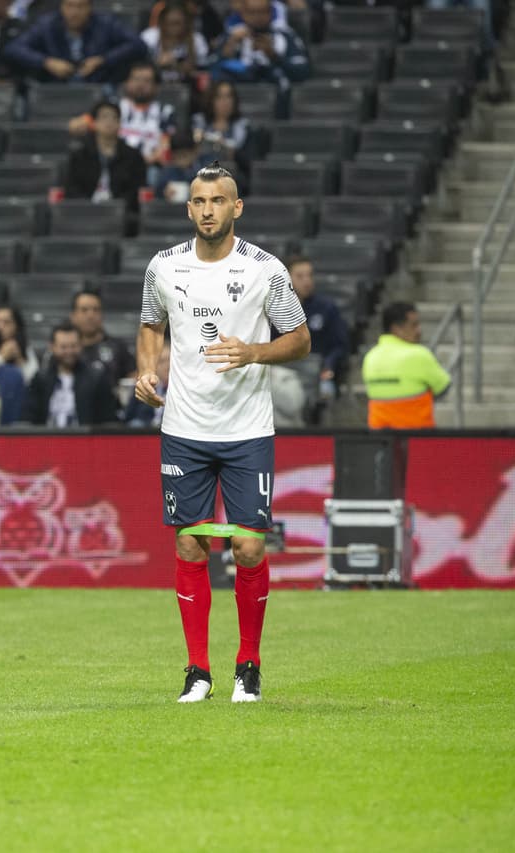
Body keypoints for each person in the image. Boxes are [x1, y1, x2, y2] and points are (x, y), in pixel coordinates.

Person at [132, 161, 310, 704]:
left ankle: (248, 665)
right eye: (198, 201)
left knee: (250, 548)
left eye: (217, 201)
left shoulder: (265, 269)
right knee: (189, 543)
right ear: (189, 209)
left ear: (237, 207)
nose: (207, 210)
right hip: (184, 426)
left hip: (248, 429)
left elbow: (299, 340)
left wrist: (255, 351)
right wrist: (146, 369)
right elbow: (150, 324)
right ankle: (197, 671)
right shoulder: (164, 267)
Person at [4, 0, 147, 84]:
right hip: (54, 87)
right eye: (70, 6)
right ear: (61, 7)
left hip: (98, 84)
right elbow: (14, 48)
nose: (74, 12)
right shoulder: (47, 25)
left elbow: (138, 45)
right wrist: (47, 62)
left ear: (90, 8)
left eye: (80, 6)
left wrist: (103, 60)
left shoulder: (106, 24)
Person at [362, 302, 451, 430]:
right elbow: (444, 387)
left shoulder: (370, 357)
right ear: (396, 329)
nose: (419, 331)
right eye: (414, 325)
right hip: (417, 439)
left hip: (381, 442)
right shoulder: (419, 354)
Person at [24, 323, 120, 425]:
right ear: (52, 347)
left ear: (81, 345)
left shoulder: (97, 378)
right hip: (47, 439)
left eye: (73, 346)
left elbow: (108, 420)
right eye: (63, 347)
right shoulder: (40, 379)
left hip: (85, 439)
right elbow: (28, 417)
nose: (69, 351)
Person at [211, 0, 310, 96]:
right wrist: (229, 47)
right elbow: (211, 70)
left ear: (271, 12)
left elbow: (303, 71)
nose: (258, 17)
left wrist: (273, 55)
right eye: (252, 12)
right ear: (243, 13)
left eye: (263, 12)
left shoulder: (286, 36)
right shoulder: (232, 35)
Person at [284, 255, 347, 400]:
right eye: (300, 276)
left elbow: (339, 346)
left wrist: (328, 366)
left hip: (318, 370)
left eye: (310, 276)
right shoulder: (274, 309)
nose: (307, 281)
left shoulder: (326, 308)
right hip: (284, 372)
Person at [64, 100, 147, 209]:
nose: (109, 122)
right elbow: (71, 188)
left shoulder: (133, 156)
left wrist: (117, 206)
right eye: (104, 117)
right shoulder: (80, 155)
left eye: (114, 118)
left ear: (119, 123)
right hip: (84, 211)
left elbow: (135, 190)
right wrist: (88, 206)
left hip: (120, 212)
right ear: (94, 123)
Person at [71, 289, 137, 388]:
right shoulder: (66, 350)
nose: (90, 315)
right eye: (84, 310)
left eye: (96, 310)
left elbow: (134, 377)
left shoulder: (118, 347)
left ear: (102, 314)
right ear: (73, 316)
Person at [140, 1, 208, 84]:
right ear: (162, 22)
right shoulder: (149, 37)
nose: (173, 28)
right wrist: (156, 64)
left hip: (186, 85)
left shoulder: (197, 40)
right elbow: (139, 67)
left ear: (186, 23)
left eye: (177, 23)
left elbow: (203, 72)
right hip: (156, 83)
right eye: (169, 23)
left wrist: (179, 67)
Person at [192, 80, 251, 173]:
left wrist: (229, 150)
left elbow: (248, 163)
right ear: (211, 100)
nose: (225, 102)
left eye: (229, 96)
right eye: (219, 97)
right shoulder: (199, 123)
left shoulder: (243, 127)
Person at [153, 130, 209, 202]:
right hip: (175, 209)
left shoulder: (204, 167)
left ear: (195, 152)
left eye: (184, 156)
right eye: (177, 157)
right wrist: (164, 192)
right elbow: (157, 190)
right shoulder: (168, 170)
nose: (181, 161)